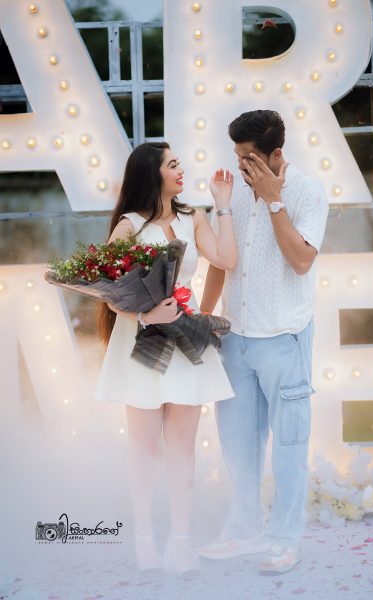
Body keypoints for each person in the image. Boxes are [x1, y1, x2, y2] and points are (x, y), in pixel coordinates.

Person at [94, 142, 237, 575]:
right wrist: (145, 314)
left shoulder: (193, 217)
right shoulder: (130, 226)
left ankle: (180, 542)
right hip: (142, 341)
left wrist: (223, 205)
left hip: (186, 337)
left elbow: (226, 258)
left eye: (179, 162)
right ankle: (144, 542)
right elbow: (108, 289)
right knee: (143, 448)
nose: (181, 170)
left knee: (182, 448)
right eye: (172, 164)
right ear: (151, 173)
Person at [199, 110, 329, 574]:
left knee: (289, 446)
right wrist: (205, 316)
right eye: (237, 157)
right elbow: (222, 260)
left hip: (284, 339)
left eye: (249, 159)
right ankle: (243, 529)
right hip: (235, 337)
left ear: (276, 155)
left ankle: (285, 540)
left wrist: (275, 201)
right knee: (238, 446)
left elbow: (301, 261)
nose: (241, 166)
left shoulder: (308, 191)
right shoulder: (234, 193)